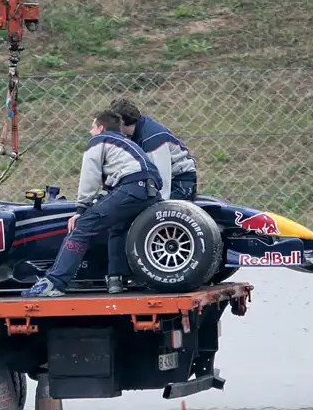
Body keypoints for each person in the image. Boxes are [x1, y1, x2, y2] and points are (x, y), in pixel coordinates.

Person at [21, 110, 163, 298]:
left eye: (92, 127)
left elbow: (90, 176)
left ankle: (54, 283)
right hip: (150, 191)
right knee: (119, 227)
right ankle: (118, 279)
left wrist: (81, 209)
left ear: (101, 128)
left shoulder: (100, 141)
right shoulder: (129, 144)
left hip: (131, 187)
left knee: (82, 227)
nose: (90, 131)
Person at [109, 97, 197, 201]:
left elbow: (162, 184)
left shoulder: (152, 139)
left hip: (179, 183)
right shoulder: (134, 131)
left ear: (121, 122)